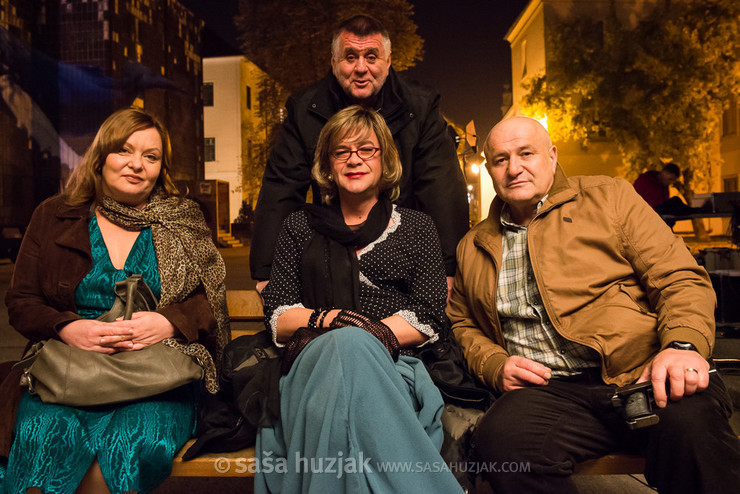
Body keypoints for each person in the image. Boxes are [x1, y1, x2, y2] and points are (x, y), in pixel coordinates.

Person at [447, 116, 740, 493]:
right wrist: (494, 364)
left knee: (692, 432)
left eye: (526, 153)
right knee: (502, 444)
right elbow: (463, 323)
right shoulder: (473, 245)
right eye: (501, 159)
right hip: (548, 393)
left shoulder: (609, 198)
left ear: (552, 157)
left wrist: (681, 345)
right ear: (489, 170)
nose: (514, 167)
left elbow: (679, 277)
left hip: (642, 370)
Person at [2, 107, 229, 493]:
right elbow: (22, 301)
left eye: (151, 156)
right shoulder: (55, 215)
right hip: (68, 371)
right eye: (124, 150)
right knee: (45, 434)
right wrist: (69, 327)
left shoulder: (183, 219)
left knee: (131, 440)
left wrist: (170, 322)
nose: (136, 165)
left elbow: (211, 300)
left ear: (162, 167)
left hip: (158, 377)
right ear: (102, 155)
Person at [256, 105, 463, 493]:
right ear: (327, 164)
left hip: (395, 366)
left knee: (350, 361)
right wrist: (337, 321)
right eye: (341, 151)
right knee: (345, 348)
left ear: (385, 160)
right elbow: (279, 313)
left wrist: (361, 336)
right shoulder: (299, 226)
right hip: (310, 365)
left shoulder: (417, 227)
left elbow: (431, 315)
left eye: (366, 149)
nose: (354, 159)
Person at [250, 14, 468, 298]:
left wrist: (447, 268)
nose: (361, 68)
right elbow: (281, 188)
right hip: (332, 243)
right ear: (333, 62)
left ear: (388, 62)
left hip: (404, 246)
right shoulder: (306, 109)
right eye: (350, 57)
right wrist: (267, 271)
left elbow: (442, 187)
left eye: (371, 56)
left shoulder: (420, 106)